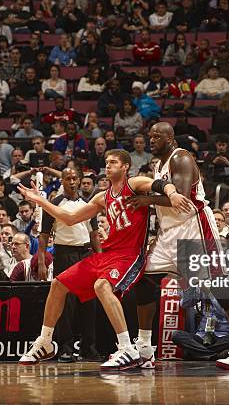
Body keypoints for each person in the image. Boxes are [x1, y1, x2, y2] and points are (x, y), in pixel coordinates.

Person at [17, 149, 192, 370]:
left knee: (102, 286)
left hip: (130, 254)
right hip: (107, 254)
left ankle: (127, 348)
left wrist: (173, 193)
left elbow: (157, 184)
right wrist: (40, 201)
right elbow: (70, 219)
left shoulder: (134, 184)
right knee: (58, 284)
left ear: (125, 167)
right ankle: (45, 341)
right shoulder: (102, 196)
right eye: (106, 162)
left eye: (113, 162)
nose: (107, 166)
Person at [126, 122, 229, 370]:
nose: (151, 140)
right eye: (149, 136)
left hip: (194, 228)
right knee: (144, 279)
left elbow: (181, 200)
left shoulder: (181, 157)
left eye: (156, 136)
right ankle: (144, 348)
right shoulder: (158, 165)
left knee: (216, 285)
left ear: (170, 138)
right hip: (169, 232)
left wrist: (146, 199)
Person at [38, 167, 102, 362]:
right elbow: (44, 235)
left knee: (89, 302)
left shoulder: (89, 204)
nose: (72, 182)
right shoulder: (53, 204)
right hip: (64, 254)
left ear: (80, 180)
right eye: (68, 178)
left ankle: (88, 348)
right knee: (65, 304)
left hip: (86, 254)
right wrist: (41, 260)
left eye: (75, 178)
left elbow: (93, 233)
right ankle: (65, 348)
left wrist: (99, 256)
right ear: (62, 181)